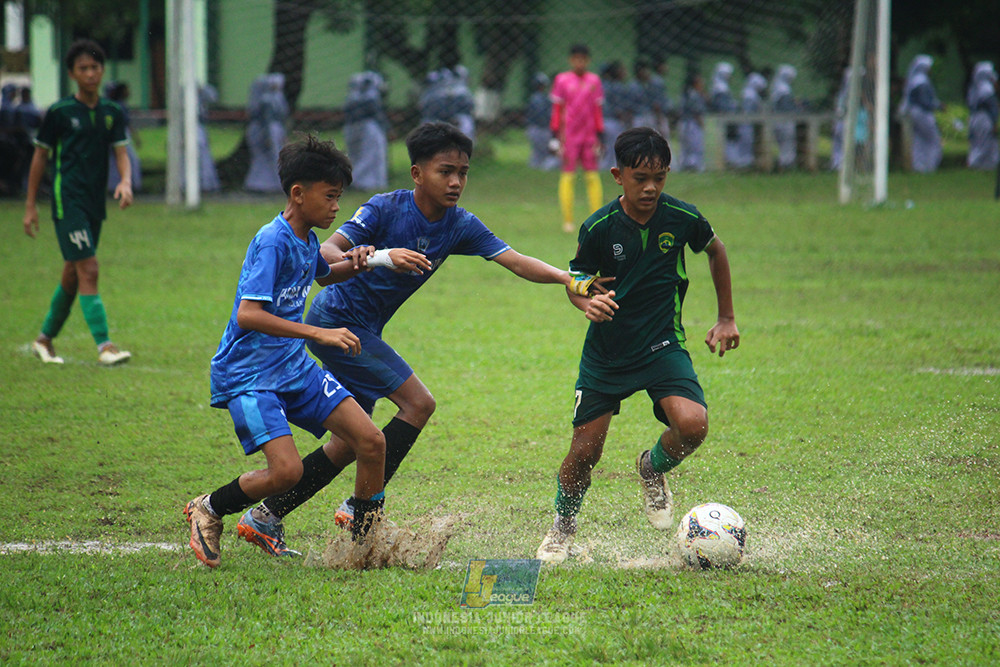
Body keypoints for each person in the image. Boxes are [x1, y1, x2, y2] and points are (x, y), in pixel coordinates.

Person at [237, 122, 583, 556]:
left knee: (348, 444)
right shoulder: (384, 209)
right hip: (338, 323)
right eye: (445, 171)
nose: (456, 181)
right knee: (419, 403)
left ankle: (266, 517)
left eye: (463, 172)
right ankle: (364, 513)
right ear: (418, 174)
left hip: (362, 332)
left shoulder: (459, 224)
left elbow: (515, 260)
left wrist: (567, 280)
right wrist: (376, 256)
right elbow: (324, 254)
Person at [534, 126, 739, 565]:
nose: (650, 188)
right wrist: (585, 302)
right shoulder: (600, 227)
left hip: (662, 343)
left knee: (693, 425)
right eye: (640, 178)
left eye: (659, 178)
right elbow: (577, 281)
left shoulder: (683, 218)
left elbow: (716, 251)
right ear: (617, 175)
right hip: (607, 353)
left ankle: (652, 468)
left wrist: (726, 317)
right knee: (584, 453)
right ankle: (562, 526)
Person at [184, 135, 388, 568]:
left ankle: (365, 543)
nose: (337, 208)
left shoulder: (307, 239)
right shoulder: (272, 240)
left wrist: (367, 259)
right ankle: (210, 507)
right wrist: (319, 333)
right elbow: (248, 315)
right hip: (251, 375)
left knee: (370, 440)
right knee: (286, 473)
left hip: (293, 368)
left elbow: (324, 276)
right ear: (299, 193)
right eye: (330, 196)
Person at [22, 39, 133, 366]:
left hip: (93, 203)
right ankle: (105, 347)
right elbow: (39, 158)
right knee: (90, 268)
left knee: (73, 272)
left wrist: (125, 181)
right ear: (72, 73)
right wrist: (30, 205)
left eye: (95, 67)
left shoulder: (112, 113)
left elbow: (121, 153)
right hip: (66, 200)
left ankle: (44, 340)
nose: (90, 74)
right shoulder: (59, 113)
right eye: (83, 68)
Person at [551, 44, 605, 233]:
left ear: (588, 60)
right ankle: (568, 221)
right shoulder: (562, 80)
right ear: (571, 60)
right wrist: (554, 135)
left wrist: (600, 134)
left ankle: (597, 219)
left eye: (583, 59)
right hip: (569, 137)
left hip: (589, 137)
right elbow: (557, 110)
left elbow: (597, 110)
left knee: (592, 176)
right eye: (576, 59)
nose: (579, 62)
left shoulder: (594, 81)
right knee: (568, 176)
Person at [343, 70, 389, 190]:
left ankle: (358, 181)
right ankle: (364, 183)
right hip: (368, 128)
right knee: (370, 155)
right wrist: (387, 127)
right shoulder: (370, 97)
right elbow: (376, 114)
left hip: (352, 128)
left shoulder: (352, 97)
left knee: (358, 156)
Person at [899, 55, 943, 174]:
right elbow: (925, 101)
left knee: (918, 141)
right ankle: (930, 165)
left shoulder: (913, 80)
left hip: (913, 113)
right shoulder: (922, 81)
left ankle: (919, 166)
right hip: (922, 114)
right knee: (933, 140)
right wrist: (938, 106)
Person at [244, 73, 288, 193]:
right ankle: (260, 183)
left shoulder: (274, 98)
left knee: (270, 158)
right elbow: (266, 120)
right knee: (268, 157)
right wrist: (268, 136)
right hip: (268, 131)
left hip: (271, 130)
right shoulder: (266, 100)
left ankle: (266, 183)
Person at [104, 81, 142, 194]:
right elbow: (127, 124)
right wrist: (136, 138)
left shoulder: (109, 104)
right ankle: (133, 185)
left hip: (110, 135)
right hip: (119, 135)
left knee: (113, 162)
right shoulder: (115, 106)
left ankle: (115, 186)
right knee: (130, 160)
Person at [966, 61, 998, 170]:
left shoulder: (974, 87)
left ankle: (987, 167)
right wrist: (994, 122)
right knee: (984, 144)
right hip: (984, 118)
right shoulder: (986, 88)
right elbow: (991, 107)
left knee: (984, 144)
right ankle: (974, 164)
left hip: (974, 118)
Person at [732, 72, 767, 169]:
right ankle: (744, 162)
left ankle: (746, 162)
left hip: (748, 124)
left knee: (748, 142)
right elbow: (748, 112)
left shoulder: (749, 93)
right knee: (746, 142)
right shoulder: (750, 95)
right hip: (746, 124)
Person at [708, 62, 740, 168]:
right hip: (725, 120)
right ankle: (730, 162)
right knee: (728, 142)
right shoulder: (721, 88)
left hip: (727, 119)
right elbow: (723, 107)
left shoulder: (719, 87)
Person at [526, 72, 559, 171]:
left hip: (534, 128)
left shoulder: (536, 97)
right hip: (540, 129)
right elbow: (543, 116)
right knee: (546, 152)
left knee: (537, 153)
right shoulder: (539, 98)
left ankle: (535, 168)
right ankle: (544, 168)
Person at [769, 64, 798, 170]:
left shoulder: (776, 87)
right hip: (784, 122)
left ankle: (784, 163)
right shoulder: (784, 89)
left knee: (783, 145)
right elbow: (787, 108)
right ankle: (787, 164)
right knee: (787, 144)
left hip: (778, 121)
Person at [678, 72, 707, 172]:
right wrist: (701, 123)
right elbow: (696, 112)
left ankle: (686, 165)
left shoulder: (687, 93)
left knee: (686, 147)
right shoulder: (694, 95)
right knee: (695, 145)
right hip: (692, 124)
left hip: (685, 123)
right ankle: (694, 166)